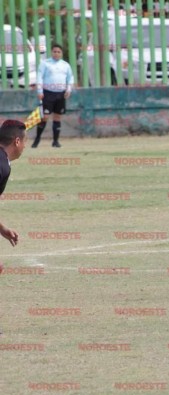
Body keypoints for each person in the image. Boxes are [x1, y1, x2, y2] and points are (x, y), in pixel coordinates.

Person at [33, 43, 74, 148]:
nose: (56, 53)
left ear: (61, 53)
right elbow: (39, 77)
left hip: (60, 94)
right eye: (54, 51)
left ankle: (55, 141)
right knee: (45, 117)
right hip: (48, 93)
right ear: (51, 52)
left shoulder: (65, 65)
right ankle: (37, 139)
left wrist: (68, 89)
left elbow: (70, 78)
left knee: (57, 117)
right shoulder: (45, 63)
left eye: (58, 52)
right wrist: (39, 91)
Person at [0, 120, 27, 253]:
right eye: (24, 141)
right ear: (17, 142)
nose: (25, 146)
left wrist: (2, 229)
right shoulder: (2, 166)